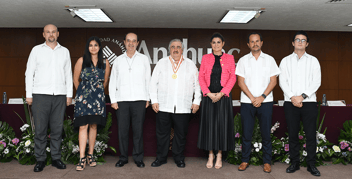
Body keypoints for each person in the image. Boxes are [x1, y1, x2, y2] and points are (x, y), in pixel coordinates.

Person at [25, 24, 72, 172]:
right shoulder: (36, 50)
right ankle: (40, 160)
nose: (51, 35)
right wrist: (29, 95)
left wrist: (69, 95)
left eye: (53, 32)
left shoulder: (65, 52)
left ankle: (56, 158)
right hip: (40, 95)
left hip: (59, 95)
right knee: (40, 130)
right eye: (48, 32)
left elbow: (68, 75)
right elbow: (29, 73)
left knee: (57, 129)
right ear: (43, 34)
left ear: (58, 34)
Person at [149, 39, 201, 168]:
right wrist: (154, 100)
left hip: (183, 106)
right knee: (162, 134)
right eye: (173, 47)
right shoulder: (162, 63)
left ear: (182, 50)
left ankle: (179, 158)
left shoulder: (190, 64)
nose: (176, 49)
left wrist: (197, 101)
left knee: (181, 135)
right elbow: (152, 83)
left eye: (178, 47)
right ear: (169, 49)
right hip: (164, 105)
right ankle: (161, 158)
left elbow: (197, 85)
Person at [236, 32, 280, 173]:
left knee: (266, 133)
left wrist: (261, 97)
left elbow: (273, 81)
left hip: (265, 102)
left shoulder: (270, 60)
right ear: (248, 44)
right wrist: (252, 98)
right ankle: (245, 160)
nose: (255, 44)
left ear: (261, 43)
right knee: (247, 133)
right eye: (252, 42)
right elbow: (240, 82)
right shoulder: (243, 60)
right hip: (247, 102)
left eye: (257, 41)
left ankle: (267, 162)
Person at [279, 31, 321, 177]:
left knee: (310, 135)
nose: (300, 42)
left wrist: (302, 96)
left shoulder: (313, 61)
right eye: (297, 40)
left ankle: (311, 165)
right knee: (293, 135)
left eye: (303, 40)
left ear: (307, 44)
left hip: (308, 102)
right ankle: (294, 163)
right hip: (290, 103)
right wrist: (293, 97)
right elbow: (282, 81)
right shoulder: (285, 61)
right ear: (293, 43)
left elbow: (317, 81)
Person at [109, 32, 151, 168]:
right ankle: (123, 158)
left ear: (137, 43)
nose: (131, 43)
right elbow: (112, 81)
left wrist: (148, 98)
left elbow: (148, 80)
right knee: (123, 131)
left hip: (139, 99)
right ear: (124, 42)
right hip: (122, 100)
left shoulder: (144, 59)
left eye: (134, 41)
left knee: (138, 131)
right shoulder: (118, 60)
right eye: (128, 41)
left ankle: (138, 158)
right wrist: (113, 100)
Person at [197, 33, 237, 169]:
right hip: (209, 97)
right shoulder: (205, 58)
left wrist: (221, 93)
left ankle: (219, 154)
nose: (216, 45)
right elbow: (201, 76)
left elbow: (233, 78)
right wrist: (207, 93)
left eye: (218, 42)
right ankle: (210, 154)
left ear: (223, 44)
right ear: (211, 44)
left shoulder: (230, 58)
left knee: (222, 126)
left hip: (223, 97)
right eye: (213, 42)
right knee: (209, 126)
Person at [73, 36, 111, 171]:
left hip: (98, 98)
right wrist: (83, 94)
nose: (93, 48)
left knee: (94, 126)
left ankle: (90, 155)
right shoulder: (81, 61)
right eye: (90, 45)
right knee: (83, 126)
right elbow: (75, 79)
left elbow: (105, 82)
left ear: (99, 47)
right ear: (87, 47)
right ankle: (82, 157)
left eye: (96, 45)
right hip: (83, 98)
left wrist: (96, 92)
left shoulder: (105, 62)